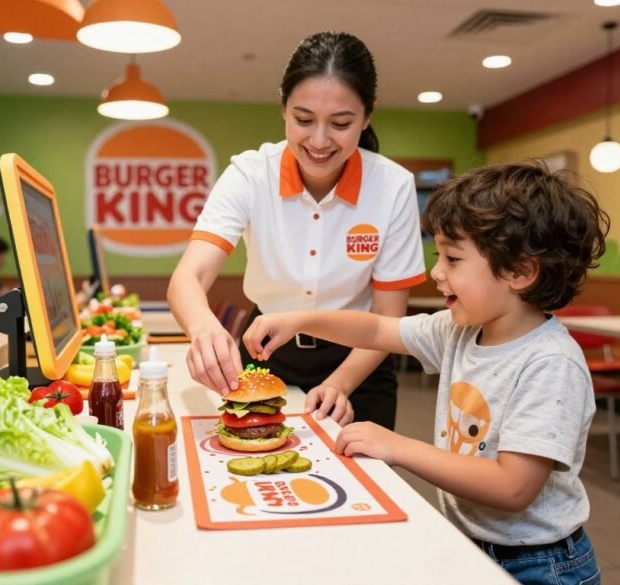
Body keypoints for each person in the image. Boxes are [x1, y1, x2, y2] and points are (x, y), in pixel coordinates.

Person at [242, 162, 608, 585]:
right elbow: (379, 328)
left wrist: (398, 447)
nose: (436, 273)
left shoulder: (550, 362)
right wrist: (299, 319)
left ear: (520, 272)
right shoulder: (460, 330)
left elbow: (513, 487)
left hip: (540, 564)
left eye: (452, 258)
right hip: (474, 541)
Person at [167, 31, 427, 429]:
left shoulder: (392, 186)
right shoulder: (251, 174)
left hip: (359, 362)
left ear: (368, 115)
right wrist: (202, 328)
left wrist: (339, 384)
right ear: (283, 108)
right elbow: (190, 275)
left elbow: (388, 316)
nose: (319, 141)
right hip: (268, 353)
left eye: (341, 123)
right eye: (303, 120)